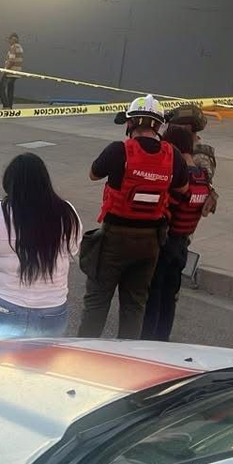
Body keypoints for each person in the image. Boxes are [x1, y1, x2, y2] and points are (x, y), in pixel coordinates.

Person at [78, 95, 189, 339]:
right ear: (159, 126)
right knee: (134, 304)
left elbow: (93, 174)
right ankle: (128, 358)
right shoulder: (173, 156)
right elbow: (182, 189)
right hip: (150, 242)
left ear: (130, 124)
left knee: (97, 300)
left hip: (114, 239)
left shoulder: (118, 150)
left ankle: (84, 353)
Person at [0, 153, 82, 341]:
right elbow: (72, 251)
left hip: (1, 306)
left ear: (10, 183)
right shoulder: (68, 213)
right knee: (39, 368)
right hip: (52, 310)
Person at [142, 126, 211, 342]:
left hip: (165, 243)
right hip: (182, 244)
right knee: (169, 297)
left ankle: (145, 345)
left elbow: (164, 210)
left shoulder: (179, 179)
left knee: (153, 297)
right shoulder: (203, 178)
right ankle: (163, 343)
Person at [166, 104, 219, 216]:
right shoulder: (178, 147)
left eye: (176, 125)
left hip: (181, 212)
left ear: (188, 127)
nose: (171, 128)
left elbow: (197, 187)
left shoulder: (201, 155)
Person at [0, 33, 23, 109]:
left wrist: (5, 71)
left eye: (10, 39)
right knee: (10, 89)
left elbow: (11, 61)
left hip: (10, 72)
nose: (9, 41)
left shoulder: (13, 47)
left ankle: (6, 105)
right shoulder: (20, 47)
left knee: (0, 87)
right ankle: (10, 105)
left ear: (14, 39)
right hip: (16, 72)